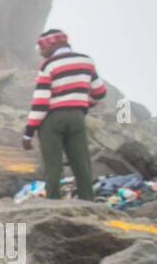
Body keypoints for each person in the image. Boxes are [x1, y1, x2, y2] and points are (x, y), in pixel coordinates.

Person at [21, 28, 108, 201]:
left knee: (53, 165)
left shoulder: (49, 65)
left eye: (43, 47)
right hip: (77, 117)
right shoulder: (86, 61)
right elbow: (100, 92)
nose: (40, 52)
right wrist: (83, 103)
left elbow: (41, 102)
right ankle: (87, 201)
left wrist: (28, 133)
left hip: (52, 120)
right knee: (81, 163)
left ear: (54, 44)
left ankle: (53, 202)